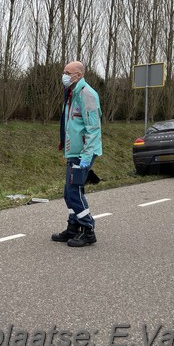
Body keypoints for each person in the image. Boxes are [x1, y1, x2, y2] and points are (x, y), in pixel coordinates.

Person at [51, 61, 102, 247]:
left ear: (78, 75)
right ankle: (73, 227)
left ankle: (88, 230)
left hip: (83, 152)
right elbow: (72, 121)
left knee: (74, 192)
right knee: (69, 192)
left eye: (67, 72)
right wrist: (64, 140)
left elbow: (93, 128)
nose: (64, 75)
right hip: (73, 150)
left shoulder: (87, 94)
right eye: (64, 71)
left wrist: (86, 157)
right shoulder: (72, 92)